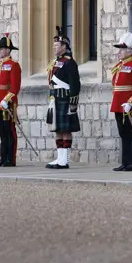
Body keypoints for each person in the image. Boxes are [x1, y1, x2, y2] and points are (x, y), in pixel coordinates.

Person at [45, 27, 81, 170]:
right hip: (55, 99)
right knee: (57, 129)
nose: (54, 48)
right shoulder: (55, 62)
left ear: (64, 46)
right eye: (54, 46)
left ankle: (64, 160)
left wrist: (73, 103)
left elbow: (75, 83)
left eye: (57, 46)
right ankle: (59, 158)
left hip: (65, 99)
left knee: (66, 130)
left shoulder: (69, 62)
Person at [111, 31, 132, 172]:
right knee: (123, 135)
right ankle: (125, 162)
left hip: (129, 106)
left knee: (131, 134)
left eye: (122, 49)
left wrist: (131, 103)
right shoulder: (119, 66)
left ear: (130, 51)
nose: (119, 52)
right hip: (118, 105)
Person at [0, 33, 21, 167]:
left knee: (10, 132)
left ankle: (11, 158)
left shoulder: (13, 65)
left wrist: (7, 99)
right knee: (2, 132)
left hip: (7, 104)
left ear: (8, 50)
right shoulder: (0, 65)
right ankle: (3, 157)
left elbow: (15, 87)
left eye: (1, 48)